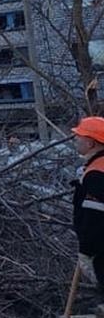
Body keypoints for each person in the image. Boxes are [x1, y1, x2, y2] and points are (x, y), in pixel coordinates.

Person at [74, 116, 104, 298]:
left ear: (91, 143)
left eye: (79, 136)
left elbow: (95, 219)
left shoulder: (96, 175)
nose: (75, 139)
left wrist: (86, 250)